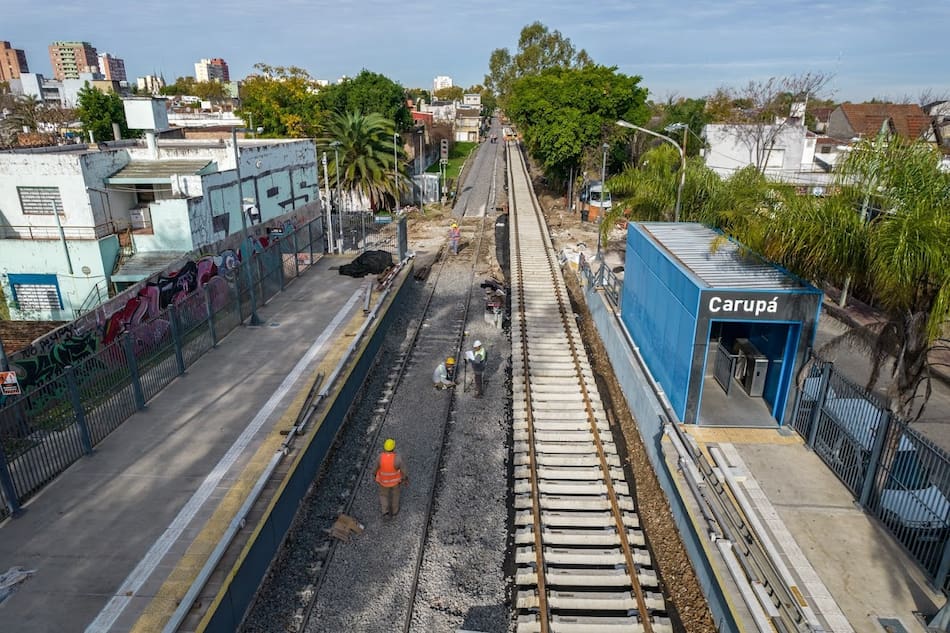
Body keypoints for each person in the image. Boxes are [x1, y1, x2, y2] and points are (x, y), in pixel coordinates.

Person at [374, 438, 407, 517]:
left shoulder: (380, 457)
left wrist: (375, 475)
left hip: (383, 482)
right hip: (395, 482)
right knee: (395, 495)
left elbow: (375, 469)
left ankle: (385, 511)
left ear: (384, 447)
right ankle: (395, 511)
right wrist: (404, 479)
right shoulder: (397, 459)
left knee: (383, 495)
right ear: (393, 448)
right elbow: (404, 471)